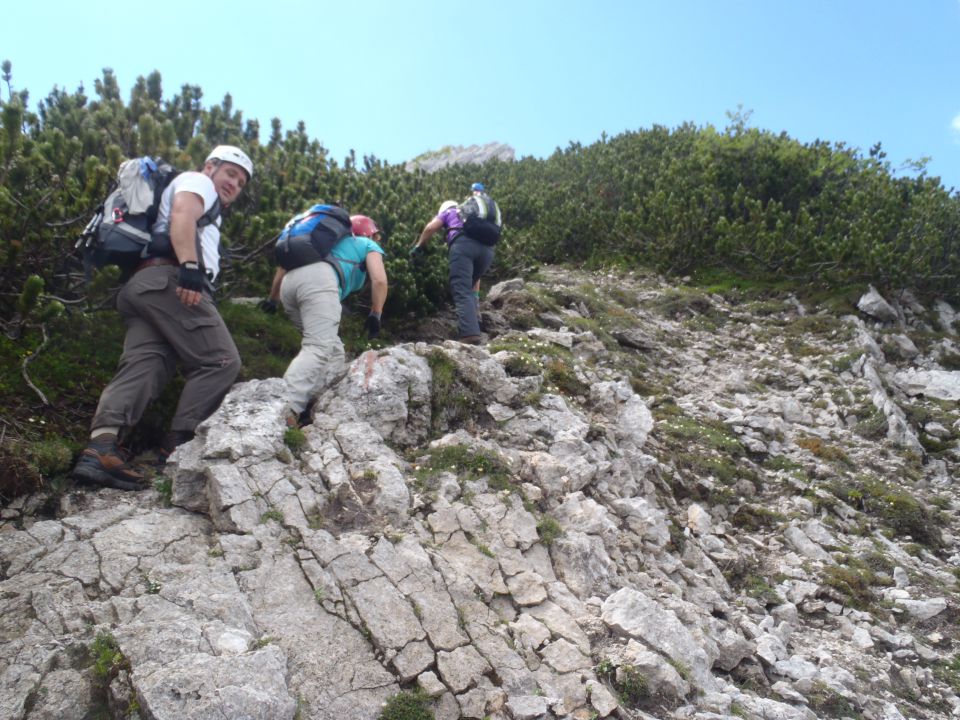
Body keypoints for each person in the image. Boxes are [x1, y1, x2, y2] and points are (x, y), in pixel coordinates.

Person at [71, 145, 254, 490]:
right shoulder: (198, 183)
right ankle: (177, 447)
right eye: (230, 173)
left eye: (241, 182)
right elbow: (182, 216)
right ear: (211, 166)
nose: (234, 184)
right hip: (172, 281)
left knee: (146, 364)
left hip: (143, 286)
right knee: (220, 360)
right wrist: (189, 267)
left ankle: (101, 449)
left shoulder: (201, 192)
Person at [262, 213, 388, 426]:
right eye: (375, 235)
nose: (377, 241)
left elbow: (283, 268)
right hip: (319, 282)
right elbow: (379, 280)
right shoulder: (366, 244)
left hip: (289, 286)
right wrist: (376, 313)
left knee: (333, 350)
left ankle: (314, 403)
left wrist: (272, 300)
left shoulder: (322, 246)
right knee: (318, 347)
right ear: (368, 232)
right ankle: (286, 410)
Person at [411, 182, 496, 345]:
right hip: (488, 250)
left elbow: (430, 228)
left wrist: (419, 246)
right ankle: (476, 319)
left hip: (463, 247)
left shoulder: (448, 212)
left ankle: (469, 335)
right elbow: (474, 278)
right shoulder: (470, 215)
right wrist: (476, 297)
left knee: (461, 288)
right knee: (469, 284)